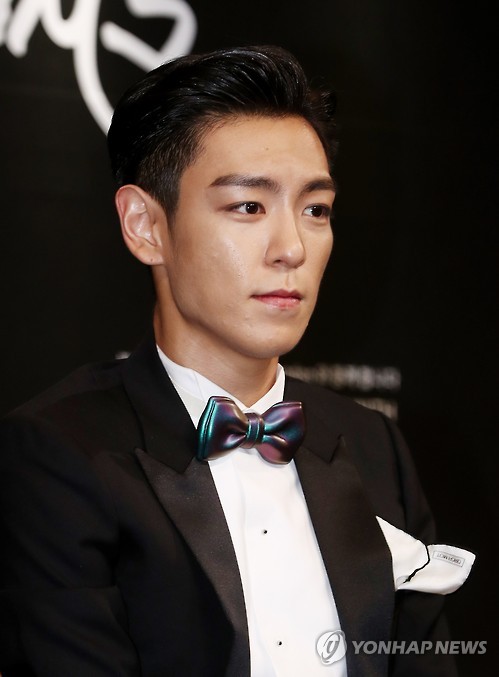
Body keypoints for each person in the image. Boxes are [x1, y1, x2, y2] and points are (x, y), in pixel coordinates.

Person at [0, 45, 474, 676]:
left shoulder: (371, 445)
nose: (292, 247)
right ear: (145, 226)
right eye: (249, 206)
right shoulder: (58, 455)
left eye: (315, 210)